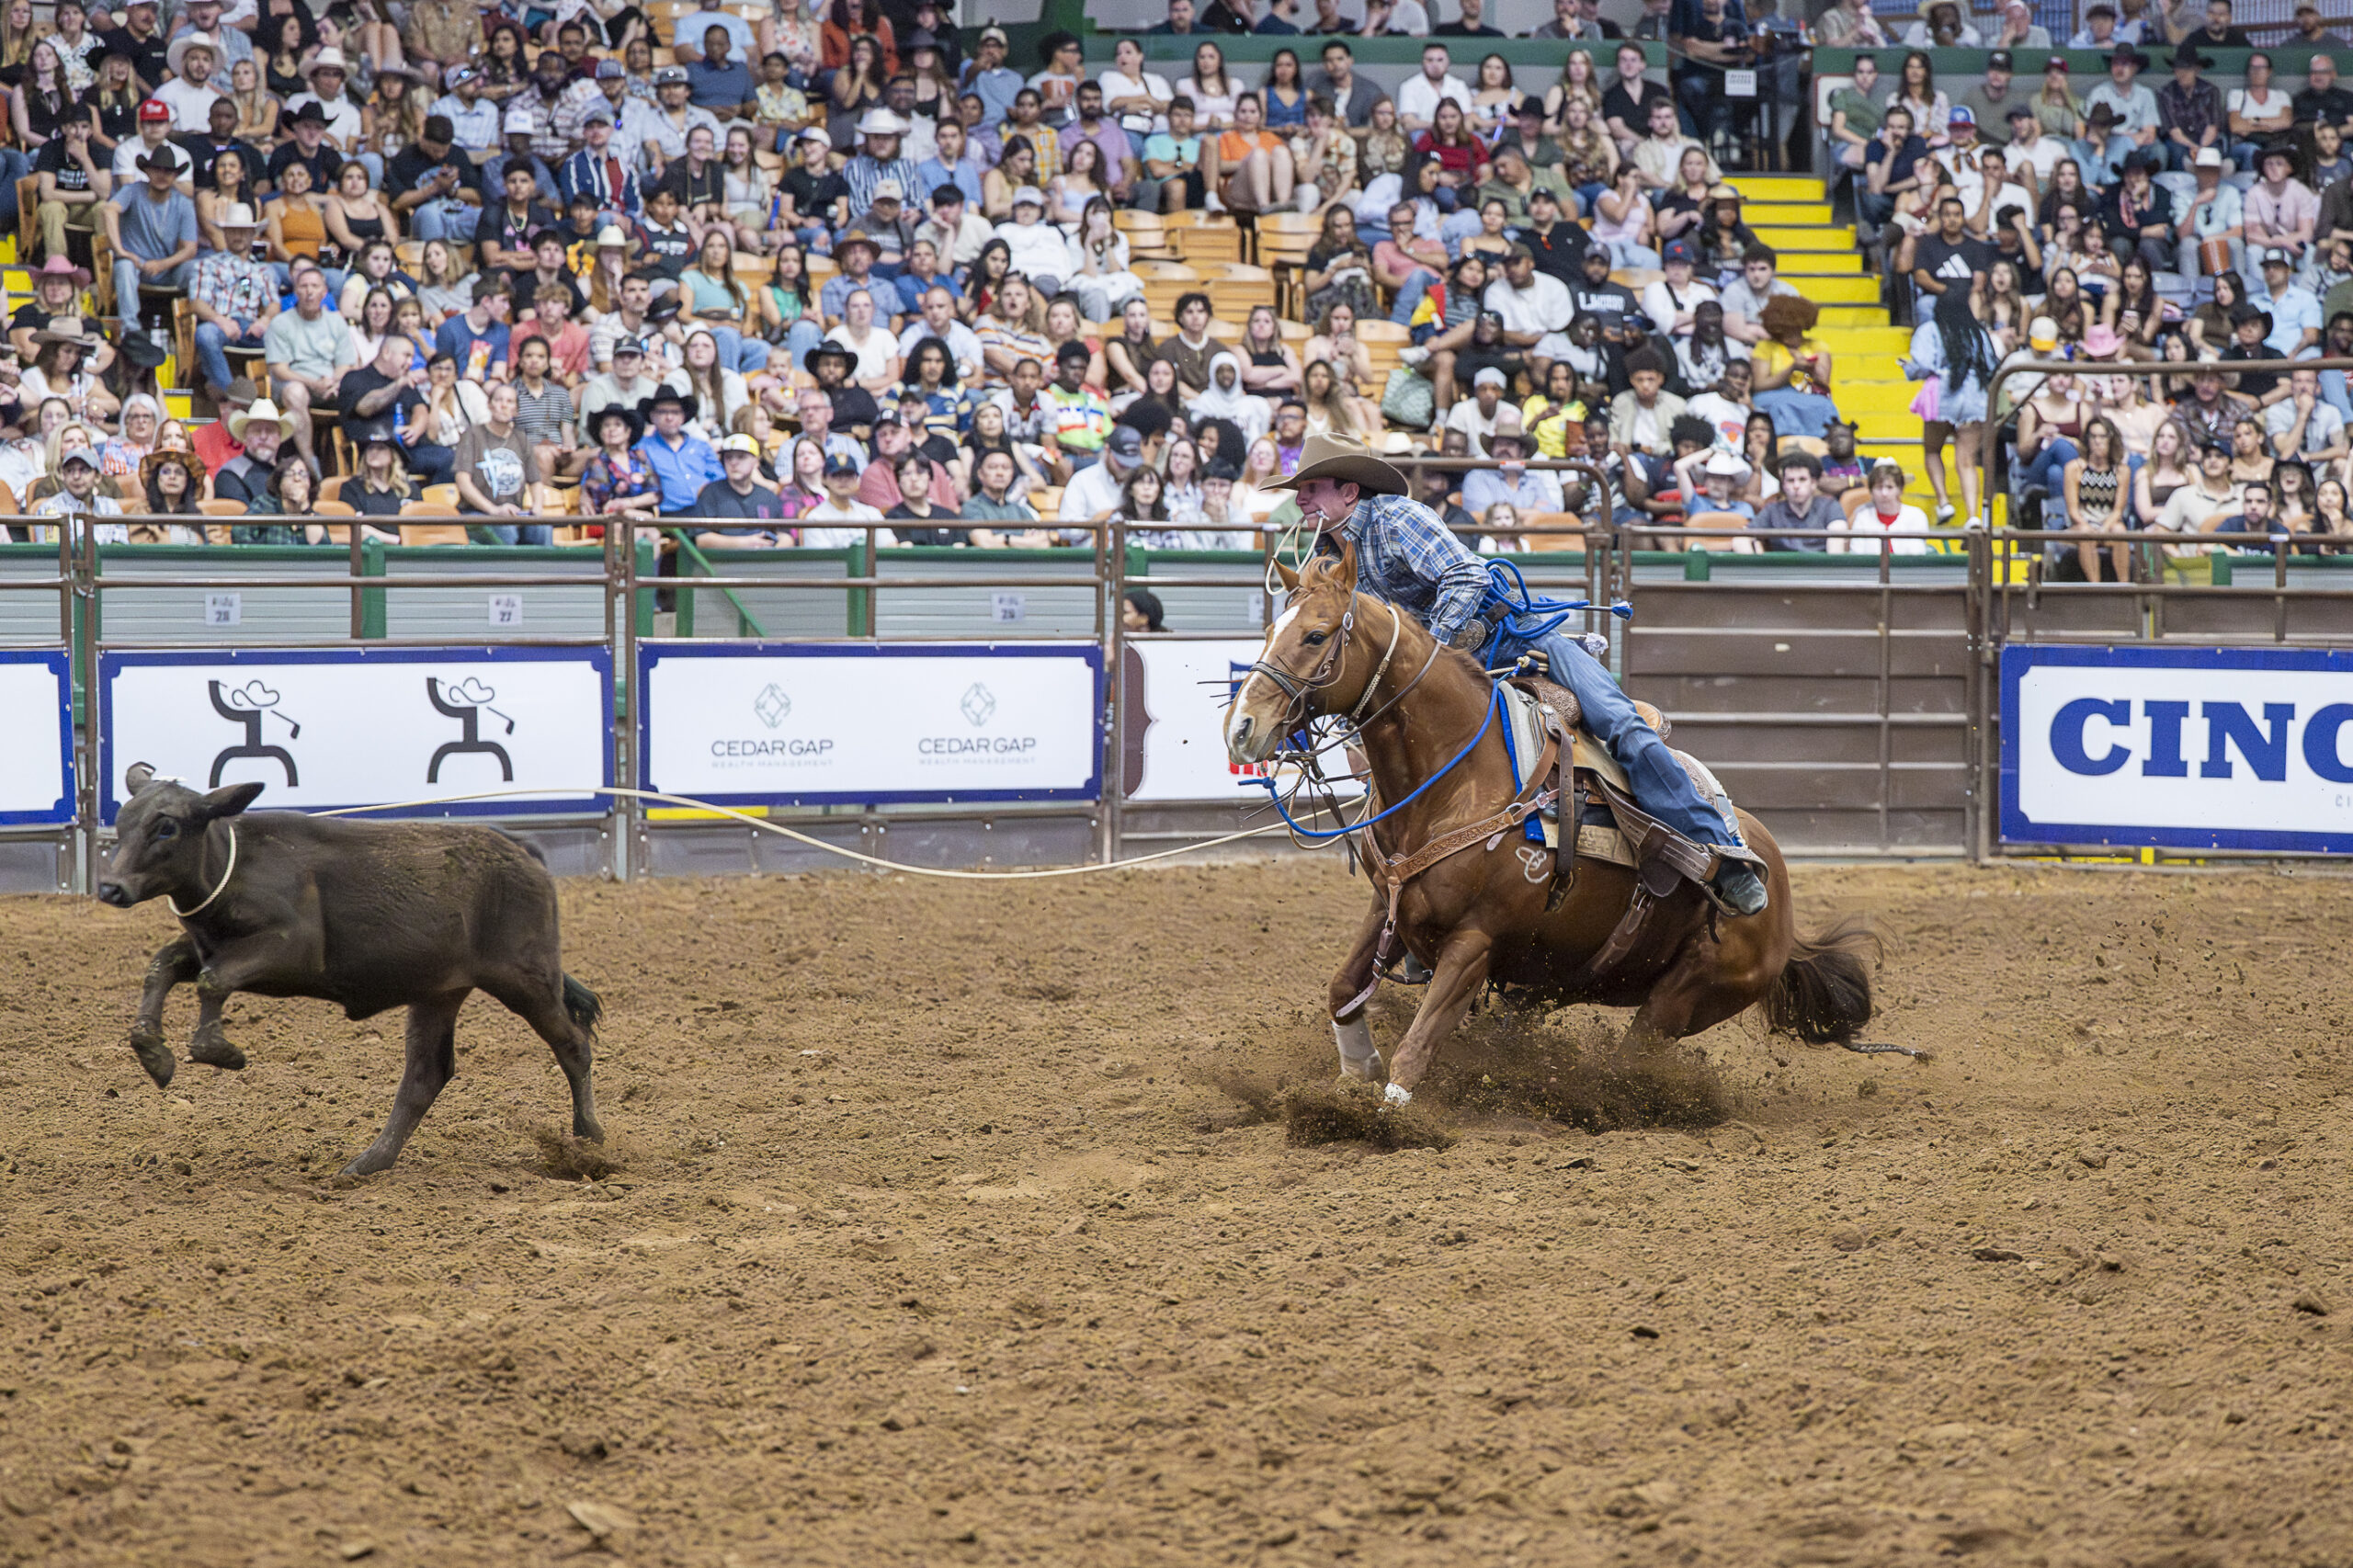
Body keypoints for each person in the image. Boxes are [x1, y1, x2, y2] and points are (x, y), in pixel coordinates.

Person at [1267, 430, 1767, 915]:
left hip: (1518, 638)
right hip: (1452, 668)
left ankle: (1721, 854)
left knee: (1621, 726)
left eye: (1311, 490)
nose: (1302, 501)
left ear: (1349, 491)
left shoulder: (1396, 519)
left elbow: (1466, 575)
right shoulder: (1326, 560)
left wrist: (1430, 654)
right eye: (1301, 492)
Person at [187, 199, 275, 397]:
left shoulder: (262, 270)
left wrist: (265, 320)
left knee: (283, 337)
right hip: (220, 322)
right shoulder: (208, 264)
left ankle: (273, 399)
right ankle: (234, 396)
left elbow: (274, 303)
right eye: (233, 230)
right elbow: (197, 303)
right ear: (225, 233)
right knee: (206, 334)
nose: (238, 235)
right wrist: (221, 321)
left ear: (252, 234)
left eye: (244, 231)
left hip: (252, 327)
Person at [452, 378, 548, 541]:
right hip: (477, 513)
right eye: (498, 400)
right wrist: (493, 510)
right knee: (506, 531)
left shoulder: (521, 439)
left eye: (510, 401)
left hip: (514, 512)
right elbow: (463, 482)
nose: (504, 405)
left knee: (543, 529)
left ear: (516, 410)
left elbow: (535, 481)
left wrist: (537, 508)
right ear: (489, 405)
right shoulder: (473, 435)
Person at [1746, 451, 1843, 552]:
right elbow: (1741, 539)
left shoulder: (1830, 507)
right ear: (1783, 485)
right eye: (1790, 480)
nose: (1796, 486)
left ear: (1813, 483)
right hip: (1782, 567)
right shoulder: (1772, 510)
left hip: (1821, 567)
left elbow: (1837, 538)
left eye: (1802, 479)